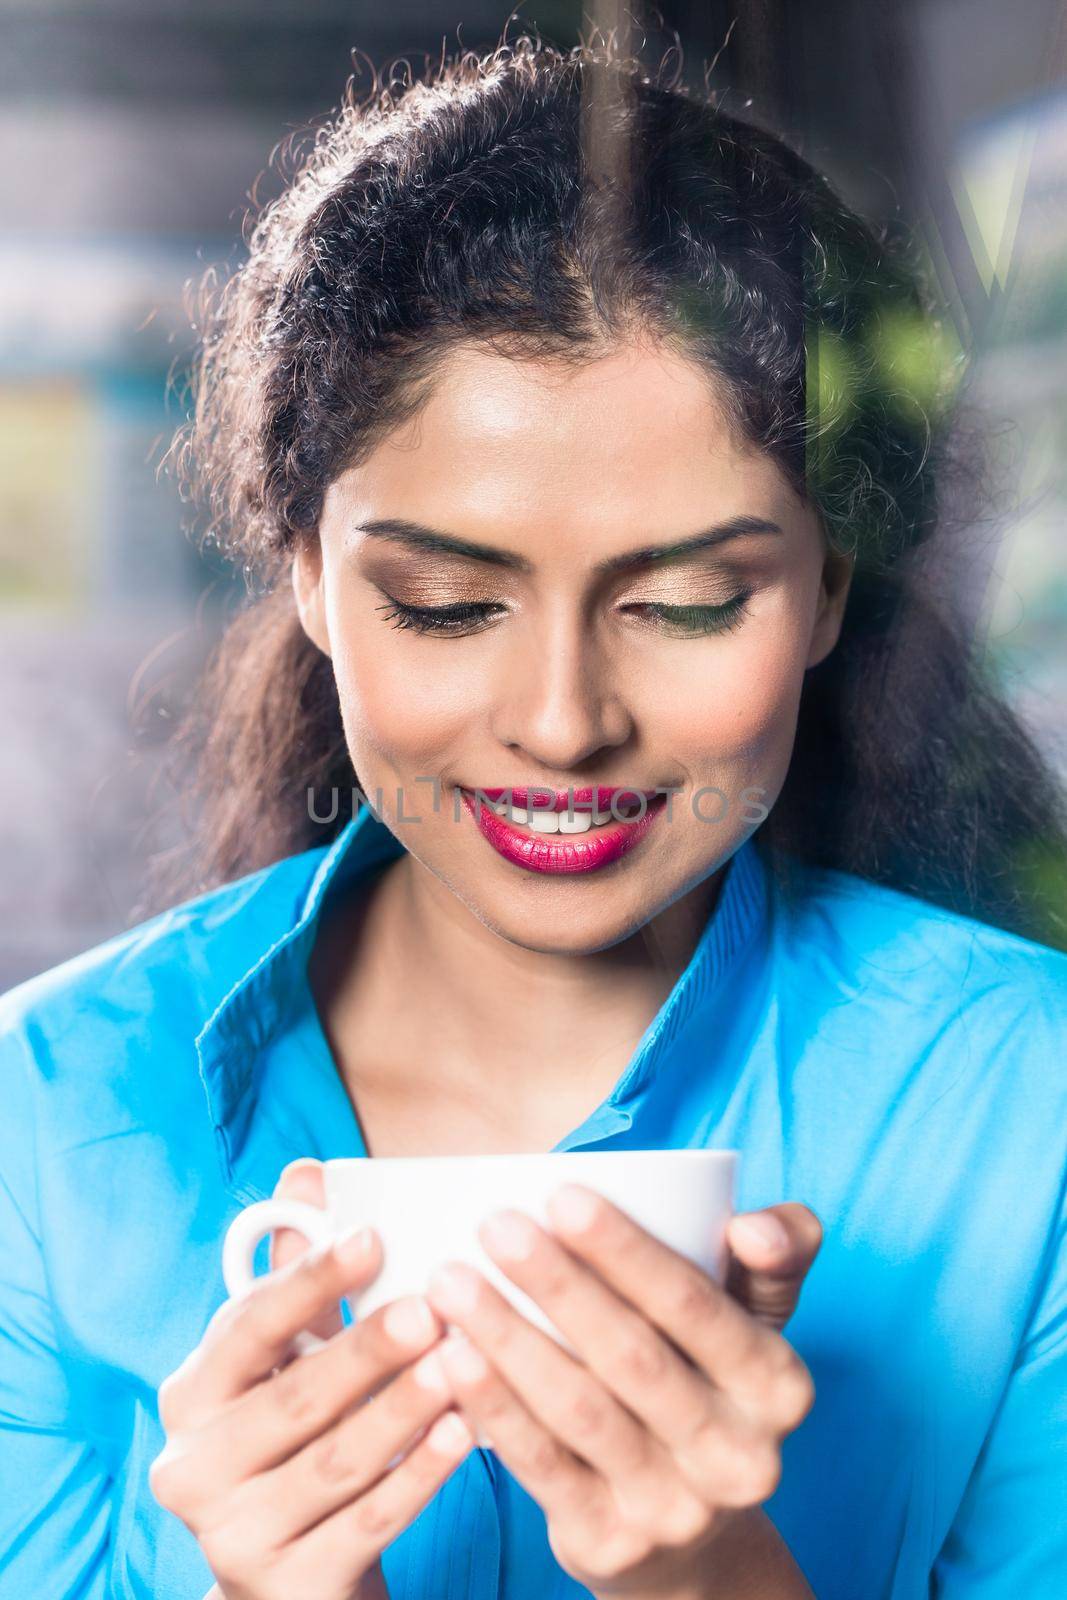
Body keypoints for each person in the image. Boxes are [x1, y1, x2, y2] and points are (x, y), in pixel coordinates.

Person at [2, 31, 1066, 1600]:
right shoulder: (40, 1125)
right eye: (442, 605)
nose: (564, 724)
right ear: (305, 573)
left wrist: (712, 1578)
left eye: (694, 603)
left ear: (831, 588)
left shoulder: (1029, 1118)